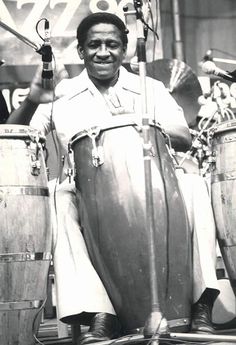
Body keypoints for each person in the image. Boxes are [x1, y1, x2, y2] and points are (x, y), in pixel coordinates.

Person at [7, 12, 220, 343]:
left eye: (111, 44)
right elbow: (16, 134)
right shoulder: (63, 93)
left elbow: (183, 136)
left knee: (194, 186)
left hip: (154, 186)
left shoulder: (149, 87)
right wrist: (34, 99)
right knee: (59, 199)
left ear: (124, 51)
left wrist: (143, 121)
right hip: (86, 191)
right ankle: (100, 312)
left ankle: (201, 302)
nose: (102, 52)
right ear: (80, 50)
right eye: (94, 45)